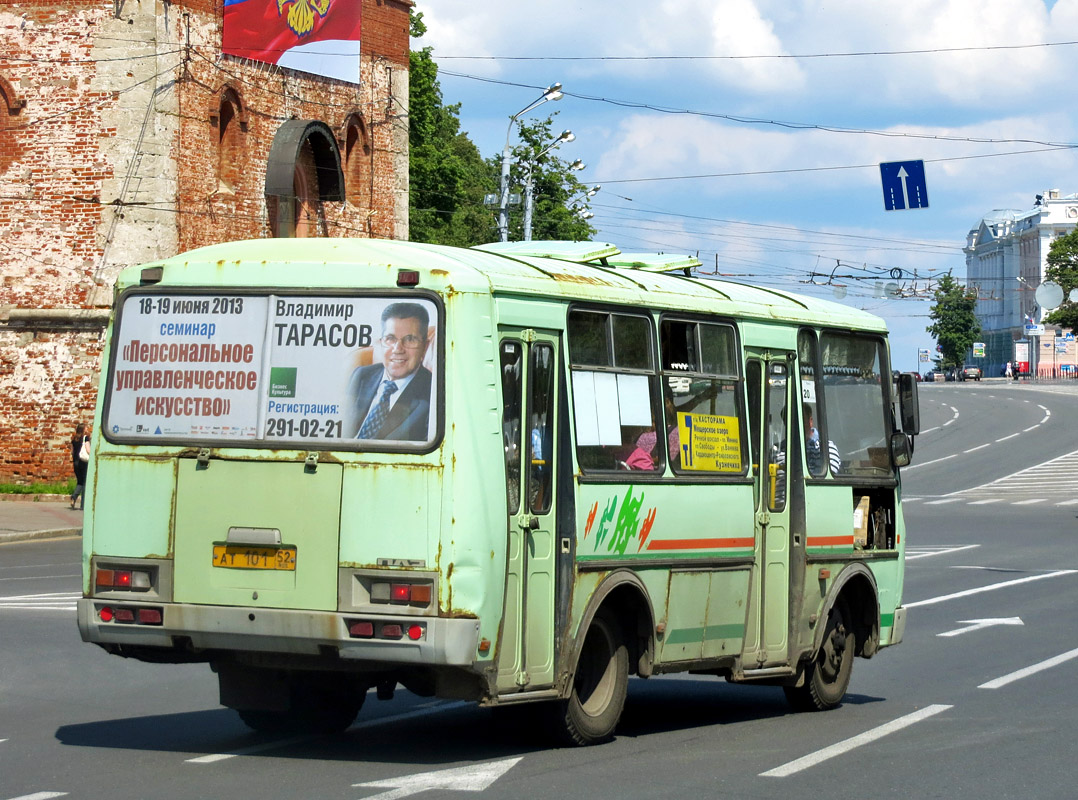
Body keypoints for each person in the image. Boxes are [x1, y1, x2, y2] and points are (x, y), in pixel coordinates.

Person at [346, 302, 433, 441]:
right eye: (390, 339)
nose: (398, 349)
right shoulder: (361, 375)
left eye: (410, 339)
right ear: (381, 342)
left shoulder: (433, 394)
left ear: (425, 346)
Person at [802, 404, 842, 475]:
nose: (794, 427)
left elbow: (825, 481)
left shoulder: (826, 448)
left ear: (810, 421)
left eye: (800, 421)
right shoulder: (780, 450)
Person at [70, 422, 90, 509]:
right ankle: (83, 505)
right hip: (83, 462)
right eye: (86, 428)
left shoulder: (74, 439)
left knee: (80, 481)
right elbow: (88, 450)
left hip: (76, 462)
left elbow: (72, 452)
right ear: (83, 429)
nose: (87, 429)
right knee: (85, 482)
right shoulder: (85, 438)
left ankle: (74, 497)